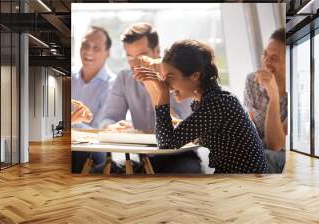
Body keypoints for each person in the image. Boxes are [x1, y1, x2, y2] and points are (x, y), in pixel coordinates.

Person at [134, 40, 268, 174]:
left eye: (170, 77)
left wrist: (163, 93)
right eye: (164, 77)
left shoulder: (217, 103)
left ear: (195, 76)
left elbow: (166, 143)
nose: (166, 84)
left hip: (244, 184)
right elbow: (184, 135)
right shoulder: (213, 101)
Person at [97, 23, 201, 173]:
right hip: (144, 156)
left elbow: (183, 127)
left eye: (140, 56)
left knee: (188, 173)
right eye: (129, 56)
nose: (134, 64)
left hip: (179, 154)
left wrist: (154, 87)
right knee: (101, 172)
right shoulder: (124, 79)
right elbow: (108, 118)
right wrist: (111, 126)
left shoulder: (178, 75)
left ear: (157, 51)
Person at [71, 26, 115, 173]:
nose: (89, 52)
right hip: (68, 141)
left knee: (80, 152)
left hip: (94, 148)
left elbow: (98, 131)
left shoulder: (113, 86)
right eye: (85, 45)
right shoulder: (68, 79)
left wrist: (69, 124)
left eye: (96, 48)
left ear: (107, 53)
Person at [244, 28, 287, 173]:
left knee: (266, 157)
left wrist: (273, 95)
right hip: (257, 147)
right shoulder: (252, 80)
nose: (266, 62)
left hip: (283, 153)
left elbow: (275, 145)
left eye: (274, 58)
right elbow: (249, 127)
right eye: (265, 55)